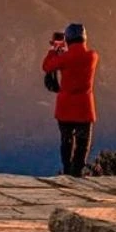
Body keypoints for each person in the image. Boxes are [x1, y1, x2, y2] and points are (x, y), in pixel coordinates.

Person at [41, 23, 99, 177]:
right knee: (83, 143)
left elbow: (46, 66)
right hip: (85, 108)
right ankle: (77, 172)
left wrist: (55, 49)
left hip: (65, 107)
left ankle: (67, 170)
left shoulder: (64, 58)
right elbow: (78, 55)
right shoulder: (92, 56)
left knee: (66, 141)